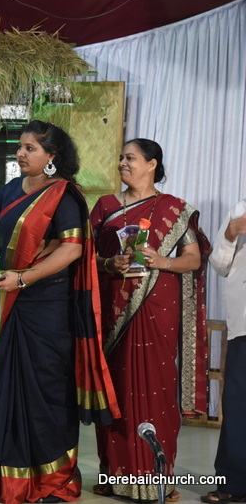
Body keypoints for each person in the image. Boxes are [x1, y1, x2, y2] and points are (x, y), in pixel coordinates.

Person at [0, 120, 118, 504]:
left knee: (46, 393)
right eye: (21, 147)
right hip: (16, 304)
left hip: (49, 308)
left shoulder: (64, 195)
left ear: (52, 156)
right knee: (11, 389)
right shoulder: (14, 188)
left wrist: (23, 279)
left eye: (30, 148)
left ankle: (56, 482)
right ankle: (13, 481)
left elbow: (72, 249)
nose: (21, 153)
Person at [90, 138, 208, 503]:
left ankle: (158, 480)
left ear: (152, 164)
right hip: (114, 309)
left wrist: (163, 261)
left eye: (131, 158)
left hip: (158, 310)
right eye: (121, 158)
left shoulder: (174, 208)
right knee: (115, 389)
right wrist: (109, 263)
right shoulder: (105, 206)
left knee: (157, 388)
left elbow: (193, 259)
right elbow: (82, 256)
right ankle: (114, 476)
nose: (123, 163)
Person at [205, 199, 246, 503]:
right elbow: (219, 265)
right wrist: (231, 234)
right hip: (244, 323)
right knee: (238, 404)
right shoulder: (241, 209)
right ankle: (232, 482)